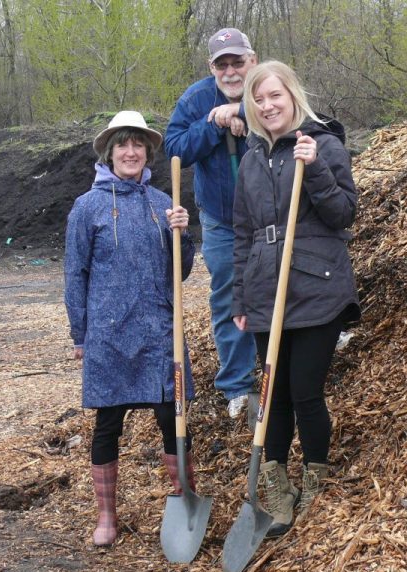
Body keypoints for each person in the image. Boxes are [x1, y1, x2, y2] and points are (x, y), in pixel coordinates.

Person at [231, 60, 361, 536]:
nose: (267, 106)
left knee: (305, 391)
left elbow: (344, 213)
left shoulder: (322, 144)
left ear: (293, 96)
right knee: (274, 396)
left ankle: (315, 481)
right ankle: (276, 487)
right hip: (266, 290)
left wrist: (317, 167)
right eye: (258, 99)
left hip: (316, 288)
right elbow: (243, 234)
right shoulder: (249, 160)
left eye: (275, 96)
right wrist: (241, 299)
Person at [64, 110, 198, 547]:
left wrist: (184, 235)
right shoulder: (87, 208)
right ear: (109, 152)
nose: (130, 151)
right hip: (109, 333)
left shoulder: (164, 203)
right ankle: (106, 516)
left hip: (159, 330)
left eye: (138, 144)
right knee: (108, 425)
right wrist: (80, 334)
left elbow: (180, 272)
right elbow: (75, 274)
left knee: (172, 418)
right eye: (122, 144)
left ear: (147, 153)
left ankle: (185, 499)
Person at [165, 27, 259, 420]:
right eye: (223, 65)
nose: (231, 72)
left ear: (252, 60)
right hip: (221, 219)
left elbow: (303, 126)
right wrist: (215, 123)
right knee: (228, 294)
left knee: (289, 280)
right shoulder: (198, 98)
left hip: (272, 214)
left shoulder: (270, 87)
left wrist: (244, 113)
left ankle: (302, 353)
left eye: (238, 62)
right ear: (212, 68)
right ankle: (237, 386)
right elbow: (174, 149)